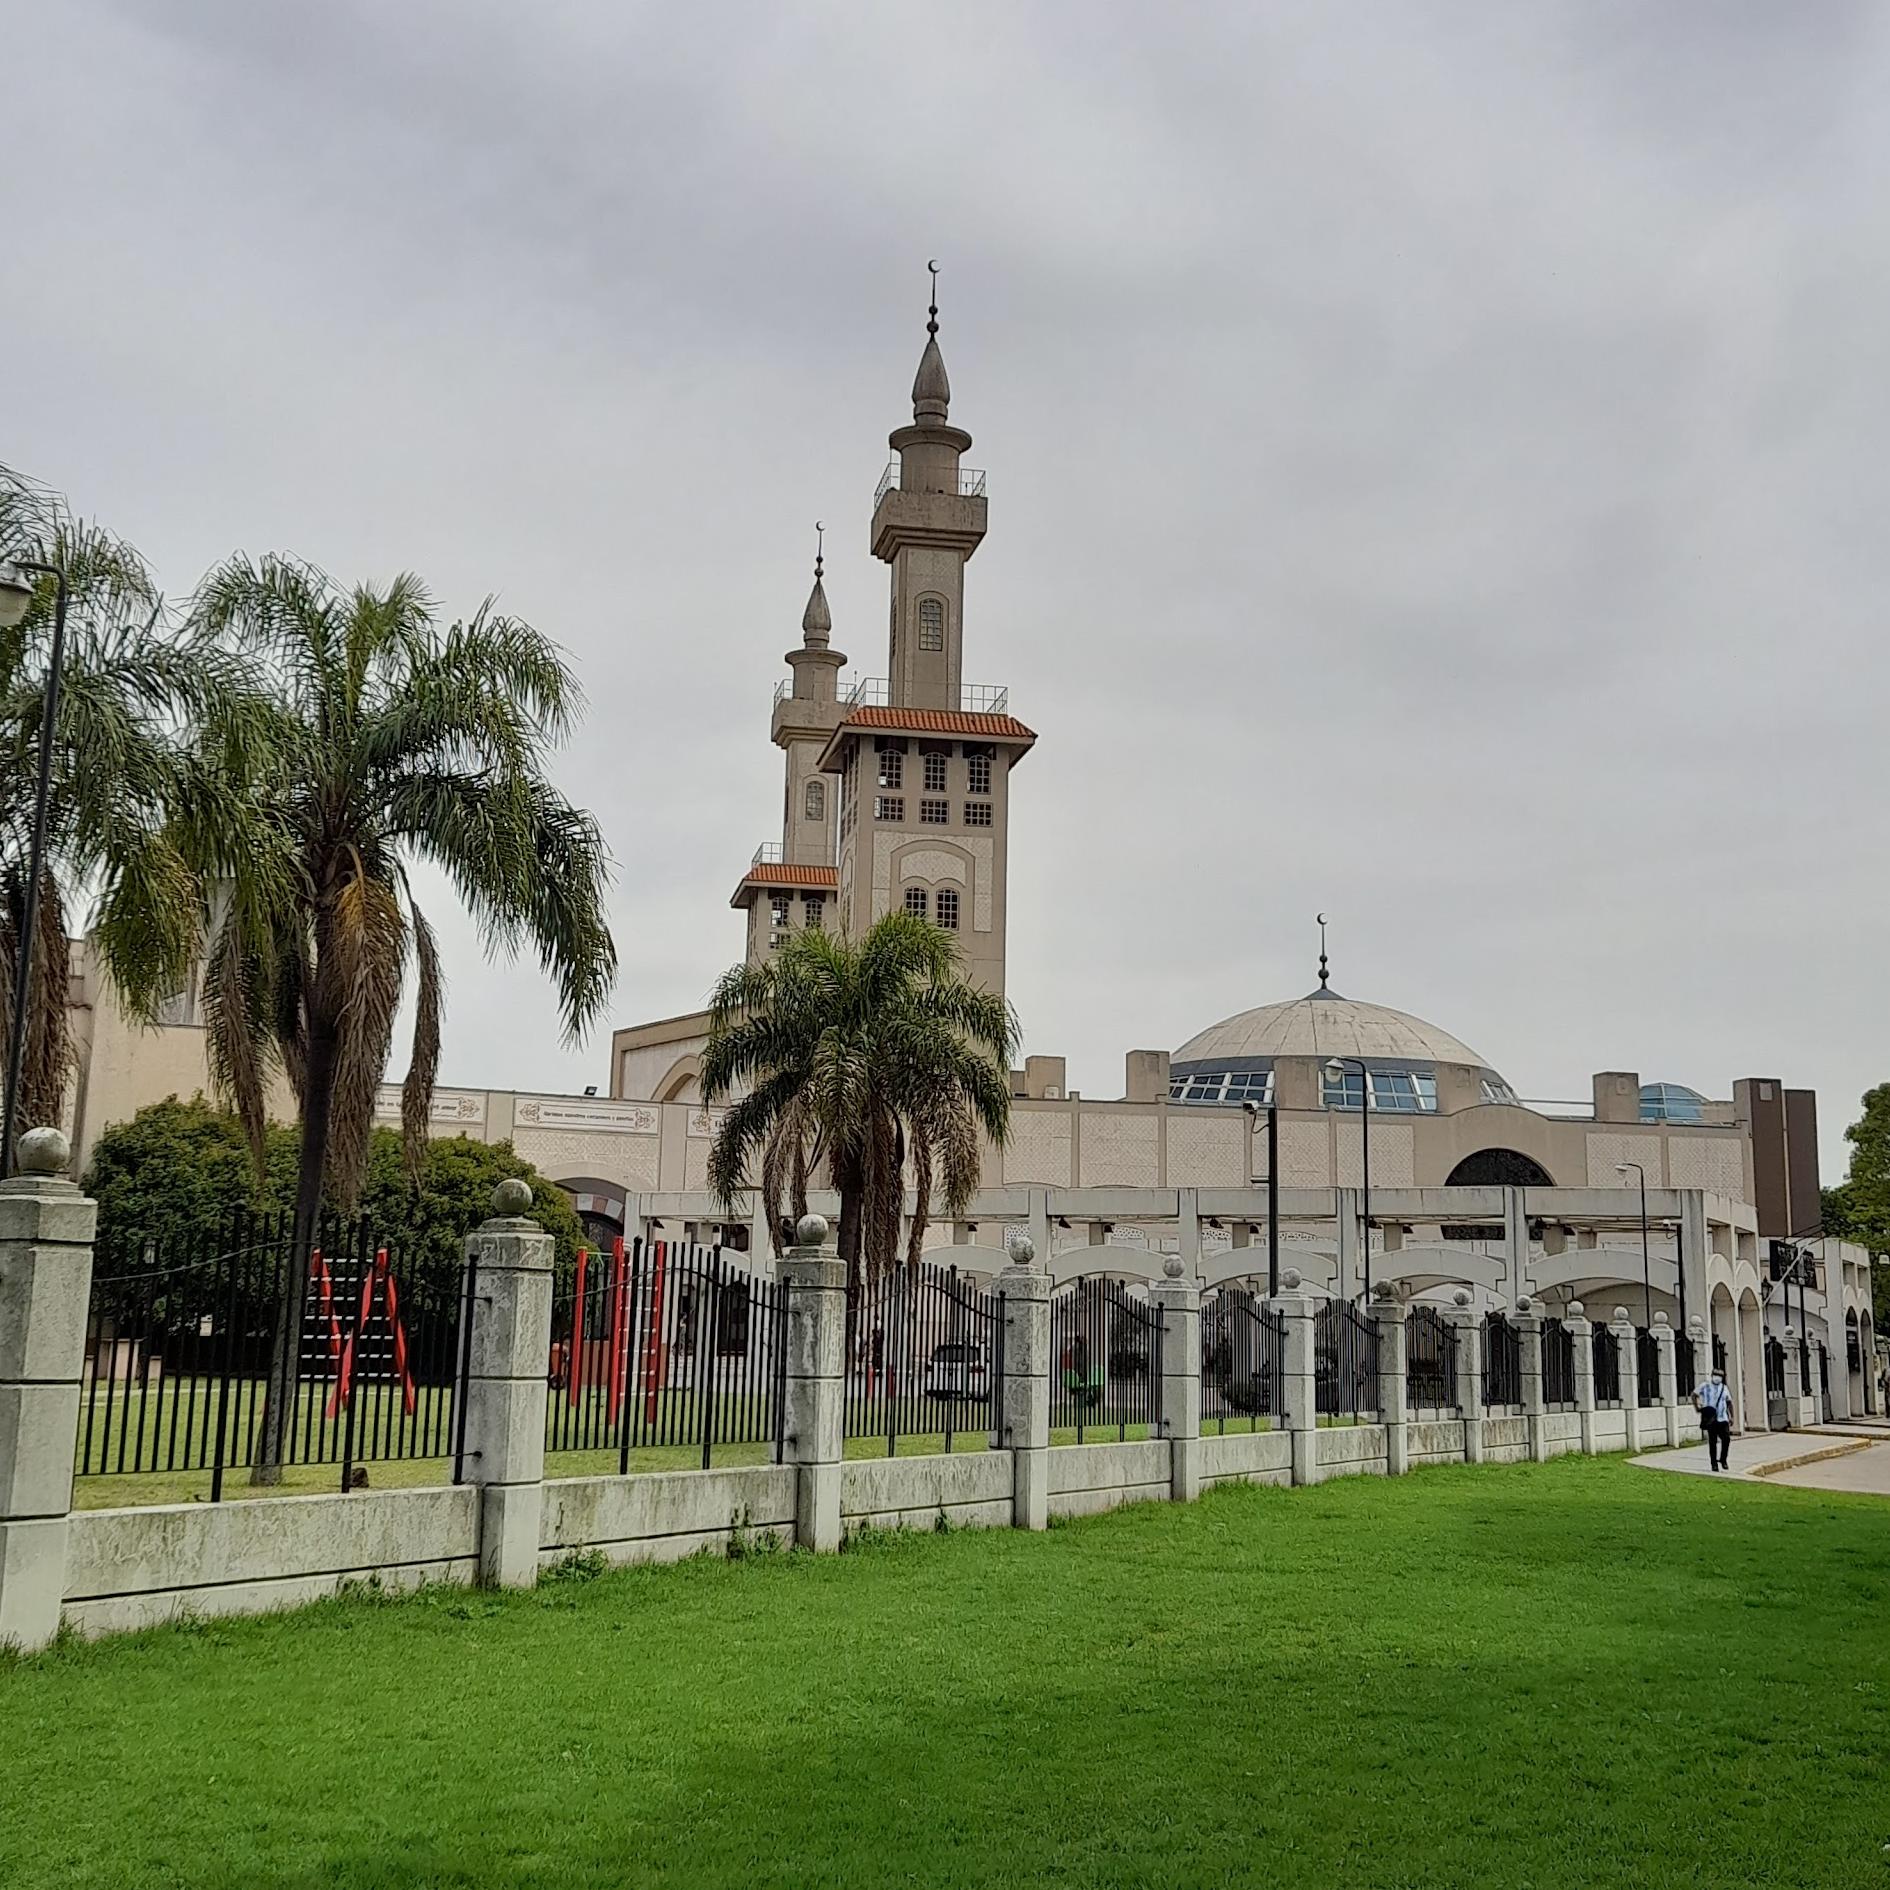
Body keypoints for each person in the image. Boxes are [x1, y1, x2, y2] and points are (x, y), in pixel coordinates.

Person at [1694, 1368, 1733, 1471]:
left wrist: (1731, 1416)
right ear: (1712, 1375)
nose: (1718, 1377)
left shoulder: (1724, 1388)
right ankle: (1714, 1463)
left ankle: (1723, 1459)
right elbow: (1694, 1394)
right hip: (1711, 1418)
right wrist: (1697, 1407)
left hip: (1722, 1418)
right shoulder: (1705, 1385)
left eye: (1720, 1375)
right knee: (1713, 1442)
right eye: (1716, 1375)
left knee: (1726, 1439)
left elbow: (1729, 1402)